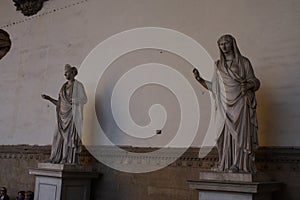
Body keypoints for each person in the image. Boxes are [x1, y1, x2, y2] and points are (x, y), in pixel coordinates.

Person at [193, 34, 260, 173]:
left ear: (232, 44)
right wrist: (200, 80)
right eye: (220, 44)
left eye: (226, 43)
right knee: (221, 136)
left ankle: (239, 164)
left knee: (239, 135)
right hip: (223, 105)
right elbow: (214, 87)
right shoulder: (218, 65)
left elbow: (255, 81)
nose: (223, 46)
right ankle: (225, 162)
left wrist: (248, 86)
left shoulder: (243, 62)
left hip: (240, 103)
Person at [42, 64, 87, 164]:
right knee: (56, 137)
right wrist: (49, 98)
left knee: (68, 139)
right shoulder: (63, 87)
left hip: (72, 116)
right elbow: (60, 104)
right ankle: (54, 157)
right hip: (62, 117)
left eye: (67, 72)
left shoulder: (78, 86)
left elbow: (84, 99)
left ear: (72, 73)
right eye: (65, 72)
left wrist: (75, 101)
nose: (65, 74)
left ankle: (65, 158)